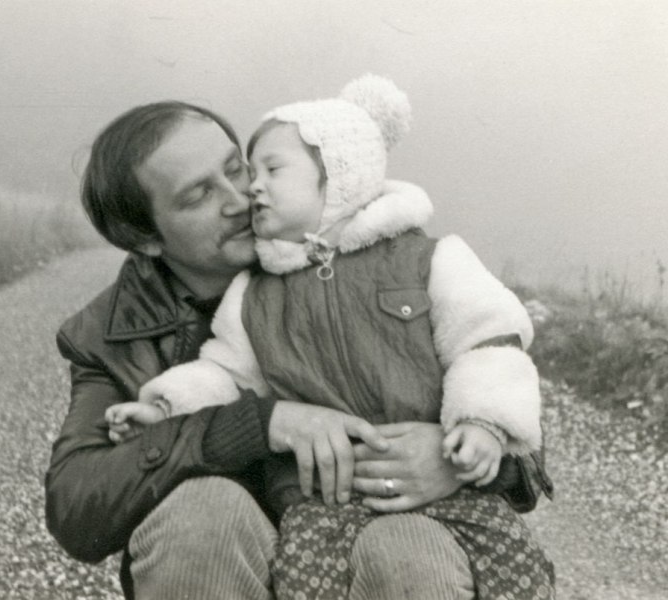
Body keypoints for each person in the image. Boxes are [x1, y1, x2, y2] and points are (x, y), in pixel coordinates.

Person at [45, 95, 553, 599]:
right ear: (145, 239)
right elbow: (76, 505)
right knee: (202, 514)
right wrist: (260, 424)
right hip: (250, 549)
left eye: (236, 169)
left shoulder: (365, 255)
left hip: (383, 536)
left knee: (410, 553)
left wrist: (450, 455)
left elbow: (496, 381)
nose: (240, 200)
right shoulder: (111, 334)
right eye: (198, 195)